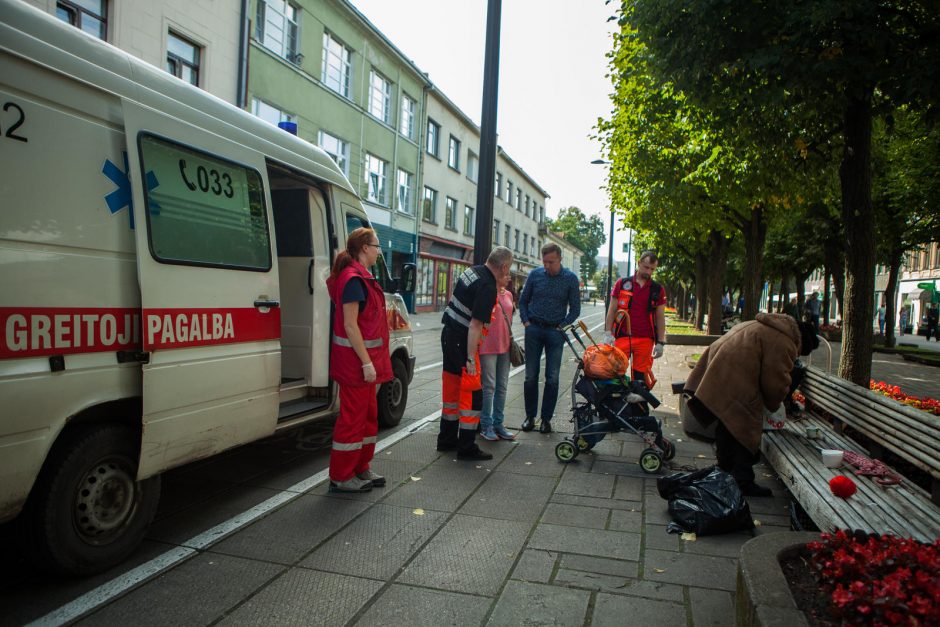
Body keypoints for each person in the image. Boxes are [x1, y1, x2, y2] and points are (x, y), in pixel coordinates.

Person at [683, 313, 817, 497]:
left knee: (727, 422)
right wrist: (777, 402)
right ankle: (742, 480)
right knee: (745, 426)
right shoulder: (784, 341)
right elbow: (775, 381)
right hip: (733, 377)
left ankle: (724, 469)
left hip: (720, 371)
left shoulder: (763, 325)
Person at [325, 228, 392, 493]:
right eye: (376, 246)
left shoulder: (361, 278)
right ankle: (341, 476)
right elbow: (350, 327)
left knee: (368, 418)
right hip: (356, 365)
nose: (378, 251)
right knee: (353, 421)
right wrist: (366, 363)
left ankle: (360, 468)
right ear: (365, 247)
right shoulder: (353, 280)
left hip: (366, 364)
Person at [437, 246, 514, 460]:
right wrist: (471, 358)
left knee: (451, 391)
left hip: (449, 335)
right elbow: (475, 325)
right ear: (504, 266)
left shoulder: (472, 271)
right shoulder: (488, 286)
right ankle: (467, 447)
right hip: (463, 342)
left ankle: (446, 440)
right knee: (472, 394)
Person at [518, 243, 581, 433]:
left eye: (551, 262)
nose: (547, 266)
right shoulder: (535, 275)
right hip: (534, 329)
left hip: (555, 332)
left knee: (552, 378)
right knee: (530, 376)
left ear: (560, 259)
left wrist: (562, 326)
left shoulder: (570, 279)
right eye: (544, 261)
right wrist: (526, 322)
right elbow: (523, 301)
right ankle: (530, 417)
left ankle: (546, 419)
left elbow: (575, 309)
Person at [603, 250, 667, 388]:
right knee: (615, 373)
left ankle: (636, 408)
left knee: (640, 378)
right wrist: (608, 333)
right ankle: (616, 405)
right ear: (638, 263)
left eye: (652, 269)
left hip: (646, 339)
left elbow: (660, 317)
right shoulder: (622, 284)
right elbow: (612, 309)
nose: (648, 272)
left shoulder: (657, 289)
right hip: (623, 336)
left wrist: (661, 342)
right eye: (646, 267)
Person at [478, 270, 516, 442]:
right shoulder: (487, 291)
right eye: (506, 274)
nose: (509, 278)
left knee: (502, 386)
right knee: (489, 386)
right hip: (488, 344)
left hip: (505, 345)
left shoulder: (508, 294)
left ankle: (498, 423)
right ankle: (486, 425)